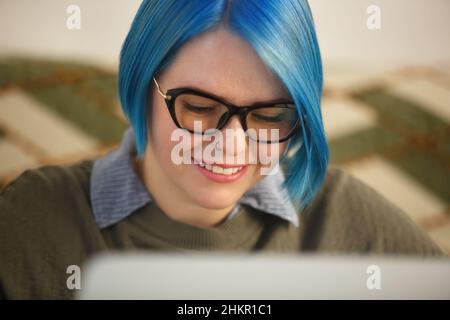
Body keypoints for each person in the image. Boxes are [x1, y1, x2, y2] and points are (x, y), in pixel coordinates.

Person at [0, 0, 445, 299]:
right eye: (198, 107)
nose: (230, 146)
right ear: (144, 84)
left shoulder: (346, 219)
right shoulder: (33, 222)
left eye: (269, 116)